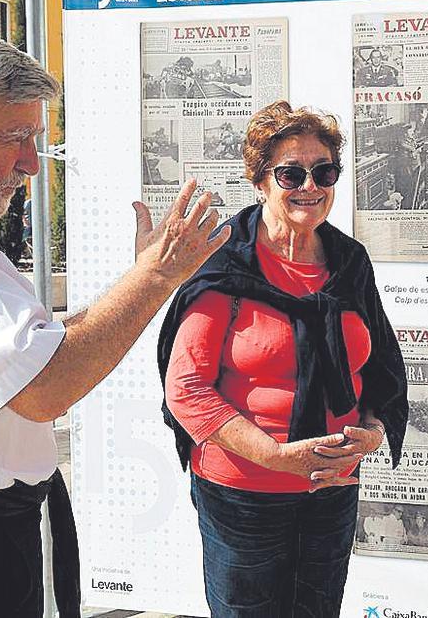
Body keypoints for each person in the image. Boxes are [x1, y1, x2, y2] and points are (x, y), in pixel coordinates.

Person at [0, 16, 226, 617]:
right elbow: (42, 384)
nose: (32, 163)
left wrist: (142, 281)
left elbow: (29, 348)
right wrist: (155, 276)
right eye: (14, 137)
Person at [159, 101, 408, 617]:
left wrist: (374, 430)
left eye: (324, 172)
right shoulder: (226, 260)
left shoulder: (348, 261)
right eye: (291, 173)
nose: (309, 186)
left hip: (332, 487)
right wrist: (274, 457)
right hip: (243, 492)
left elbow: (381, 365)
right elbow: (186, 387)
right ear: (259, 180)